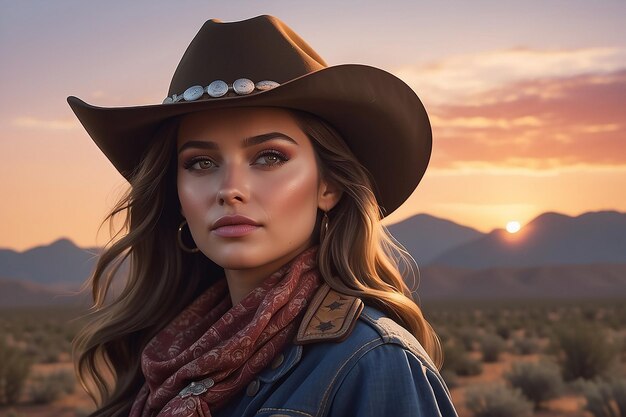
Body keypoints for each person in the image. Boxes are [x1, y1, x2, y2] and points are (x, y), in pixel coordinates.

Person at [69, 15, 458, 417]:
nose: (229, 189)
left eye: (269, 157)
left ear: (329, 187)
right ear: (177, 196)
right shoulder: (165, 360)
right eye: (201, 163)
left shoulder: (374, 362)